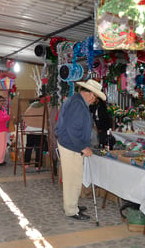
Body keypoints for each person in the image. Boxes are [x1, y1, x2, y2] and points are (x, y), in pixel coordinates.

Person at [55, 79, 106, 221]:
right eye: (95, 98)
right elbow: (73, 129)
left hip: (70, 144)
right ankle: (71, 210)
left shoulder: (77, 101)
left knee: (74, 177)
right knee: (73, 178)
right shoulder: (78, 104)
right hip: (71, 146)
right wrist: (83, 147)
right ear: (90, 94)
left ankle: (71, 204)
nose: (94, 100)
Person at [23, 99, 48, 170]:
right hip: (41, 130)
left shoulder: (30, 108)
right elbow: (47, 118)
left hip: (30, 130)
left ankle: (26, 163)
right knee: (39, 148)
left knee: (29, 147)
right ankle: (38, 165)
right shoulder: (45, 107)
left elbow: (25, 118)